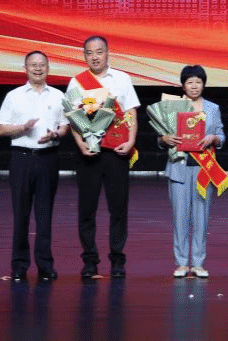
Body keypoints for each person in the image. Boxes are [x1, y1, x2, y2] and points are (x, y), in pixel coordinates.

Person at [64, 35, 141, 279]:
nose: (94, 57)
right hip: (88, 153)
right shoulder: (77, 82)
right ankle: (90, 260)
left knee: (118, 208)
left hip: (116, 152)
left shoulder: (122, 79)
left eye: (99, 52)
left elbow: (130, 112)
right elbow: (72, 118)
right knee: (87, 209)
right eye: (89, 53)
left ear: (108, 53)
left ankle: (117, 259)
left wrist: (131, 141)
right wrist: (80, 144)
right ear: (84, 56)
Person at [0, 50, 70, 282]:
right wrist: (22, 128)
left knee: (45, 215)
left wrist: (56, 134)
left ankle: (45, 265)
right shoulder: (14, 96)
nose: (38, 68)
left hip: (48, 158)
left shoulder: (58, 95)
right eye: (33, 65)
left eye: (42, 65)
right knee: (21, 214)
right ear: (25, 69)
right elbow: (1, 129)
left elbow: (65, 126)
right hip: (21, 158)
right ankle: (19, 266)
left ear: (48, 68)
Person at [158, 65, 225, 279]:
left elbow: (222, 135)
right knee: (180, 218)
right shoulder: (172, 107)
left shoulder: (213, 108)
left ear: (203, 84)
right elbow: (160, 137)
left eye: (198, 81)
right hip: (178, 168)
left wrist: (214, 138)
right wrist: (164, 139)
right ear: (183, 85)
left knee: (201, 218)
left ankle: (198, 263)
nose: (194, 86)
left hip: (203, 168)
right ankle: (181, 263)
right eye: (190, 82)